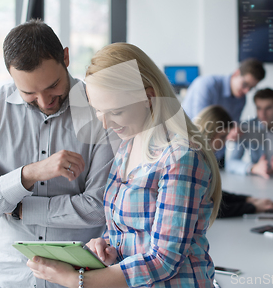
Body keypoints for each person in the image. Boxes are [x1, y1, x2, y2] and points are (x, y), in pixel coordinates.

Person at [27, 43, 222, 287]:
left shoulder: (181, 157)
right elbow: (127, 230)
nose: (106, 124)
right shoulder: (128, 145)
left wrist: (76, 280)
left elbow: (164, 260)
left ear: (148, 97)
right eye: (98, 111)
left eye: (115, 112)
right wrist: (107, 245)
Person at [0, 20, 114, 288]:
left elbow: (99, 209)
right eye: (29, 93)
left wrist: (13, 204)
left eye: (53, 86)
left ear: (66, 57)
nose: (44, 101)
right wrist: (29, 174)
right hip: (4, 279)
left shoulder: (101, 110)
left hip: (78, 279)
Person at [194, 105, 273, 217]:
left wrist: (248, 200)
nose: (224, 142)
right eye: (223, 136)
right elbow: (207, 207)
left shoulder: (202, 156)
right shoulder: (195, 160)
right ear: (210, 132)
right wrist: (253, 207)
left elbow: (212, 194)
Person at [182, 58, 265, 165]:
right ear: (236, 73)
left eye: (251, 88)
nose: (246, 91)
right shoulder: (207, 85)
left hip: (217, 154)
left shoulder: (241, 99)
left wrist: (233, 132)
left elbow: (230, 126)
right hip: (192, 151)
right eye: (245, 84)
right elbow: (201, 126)